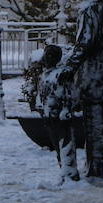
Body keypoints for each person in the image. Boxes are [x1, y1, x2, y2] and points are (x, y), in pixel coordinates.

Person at [60, 0, 103, 184]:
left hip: (92, 77)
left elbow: (84, 43)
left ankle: (94, 173)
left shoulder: (90, 10)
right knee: (99, 128)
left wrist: (68, 67)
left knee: (93, 128)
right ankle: (95, 170)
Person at [33, 44, 80, 182]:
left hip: (60, 115)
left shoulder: (61, 74)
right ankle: (64, 170)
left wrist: (66, 110)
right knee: (57, 145)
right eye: (47, 55)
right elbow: (40, 94)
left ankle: (70, 173)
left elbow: (69, 94)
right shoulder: (44, 75)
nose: (49, 58)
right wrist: (40, 107)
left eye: (52, 56)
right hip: (49, 115)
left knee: (65, 144)